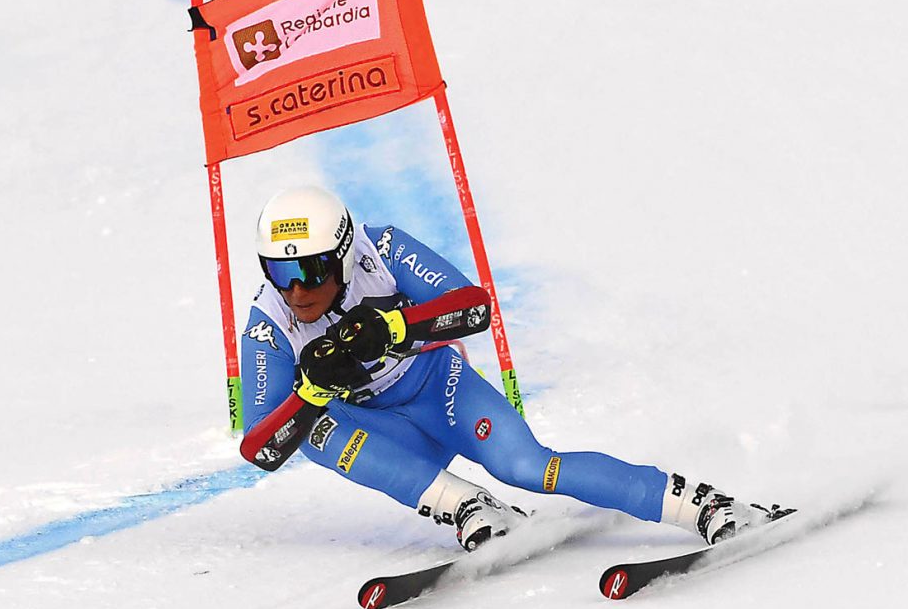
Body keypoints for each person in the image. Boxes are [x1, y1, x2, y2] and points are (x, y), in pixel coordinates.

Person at [240, 185, 787, 551]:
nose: (296, 290)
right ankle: (466, 505)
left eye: (311, 270)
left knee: (528, 467)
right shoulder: (269, 323)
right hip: (387, 435)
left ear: (341, 255)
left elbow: (472, 306)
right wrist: (311, 392)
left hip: (438, 391)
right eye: (280, 272)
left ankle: (702, 505)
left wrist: (394, 327)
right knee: (316, 431)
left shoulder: (379, 249)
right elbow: (260, 447)